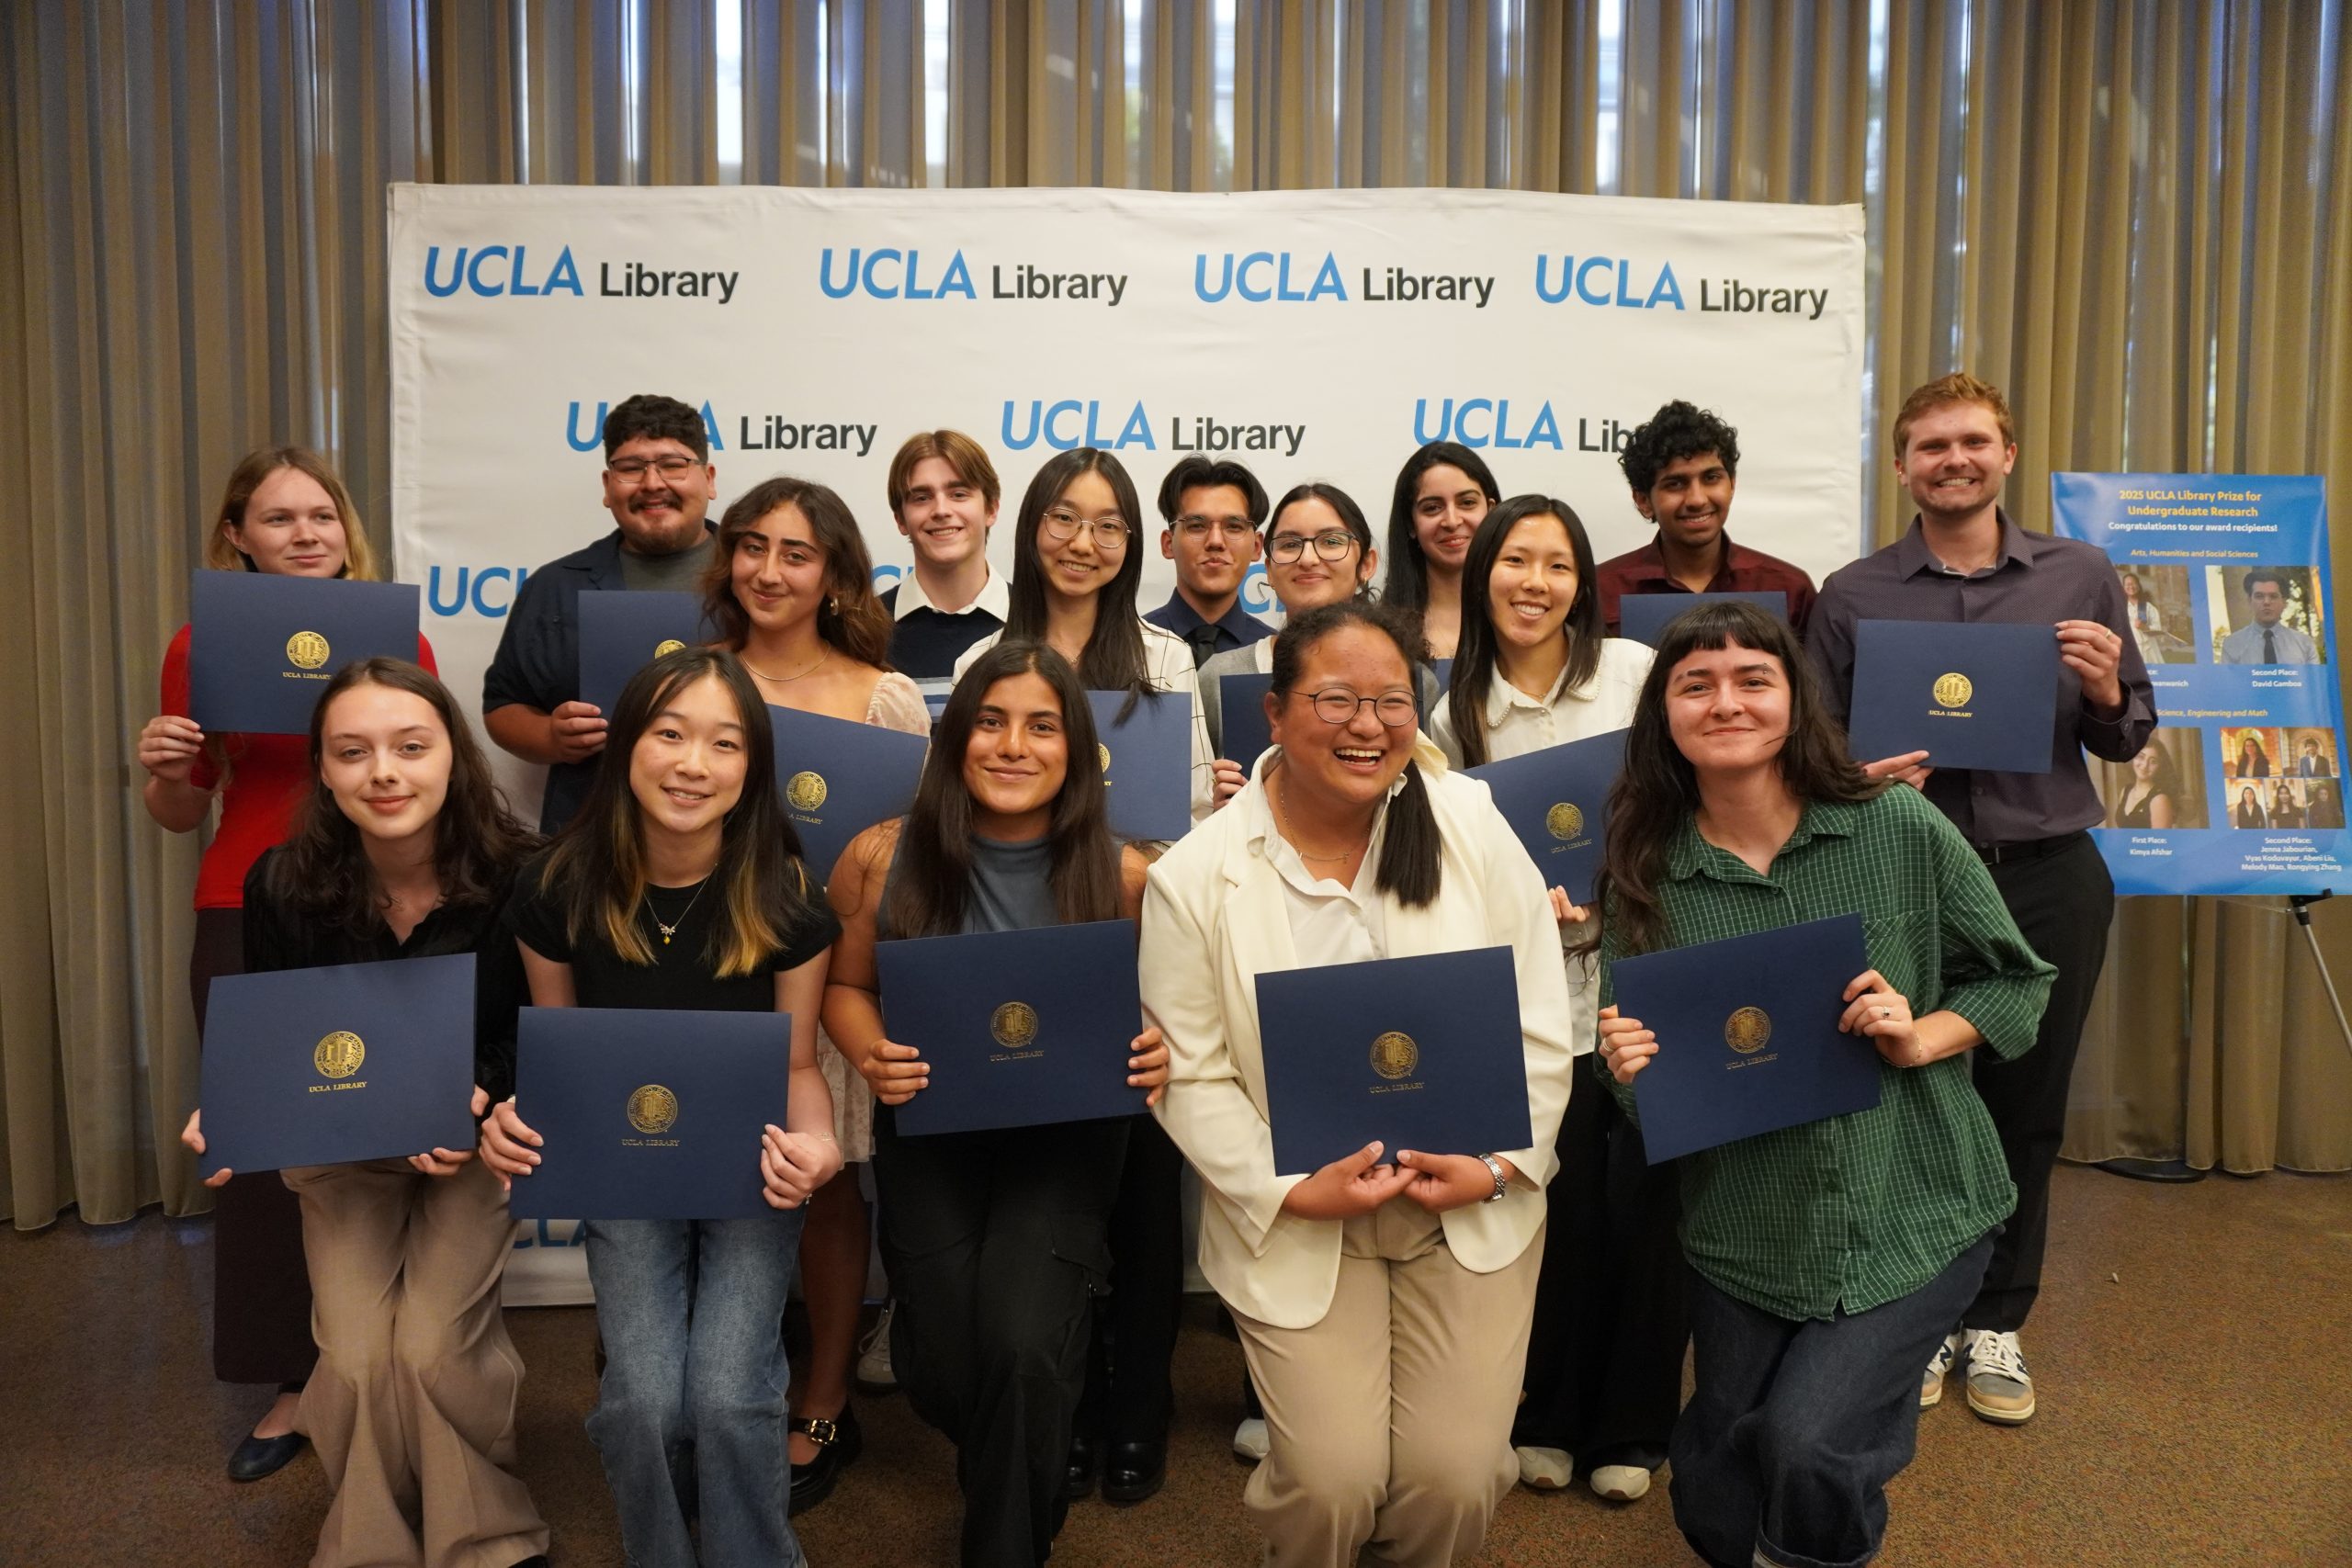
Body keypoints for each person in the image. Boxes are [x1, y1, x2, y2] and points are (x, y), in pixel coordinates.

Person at [1594, 598, 2054, 1568]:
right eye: (1696, 684)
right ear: (1662, 716)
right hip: (1746, 1226)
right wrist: (1628, 1070)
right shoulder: (1644, 871)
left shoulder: (1894, 825)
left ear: (1793, 699)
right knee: (1719, 1467)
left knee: (1810, 1447)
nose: (1726, 701)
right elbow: (1644, 1087)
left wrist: (1919, 1034)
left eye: (1752, 679)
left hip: (1916, 1207)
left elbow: (2016, 980)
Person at [1140, 598, 1577, 1568]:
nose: (1369, 725)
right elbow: (1194, 1074)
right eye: (1335, 700)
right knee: (1331, 1485)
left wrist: (1500, 1166)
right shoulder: (1198, 875)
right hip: (1304, 1216)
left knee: (1455, 1479)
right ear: (1275, 714)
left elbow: (1541, 1019)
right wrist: (1288, 1187)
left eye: (1391, 701)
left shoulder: (1466, 817)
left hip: (1464, 1199)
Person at [1807, 373, 2154, 1427]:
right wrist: (1855, 779)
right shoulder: (1853, 592)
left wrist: (2103, 689)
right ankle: (1912, 1317)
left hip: (2047, 877)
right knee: (1905, 1100)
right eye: (1929, 446)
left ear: (2004, 454)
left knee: (2027, 1105)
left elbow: (2126, 733)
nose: (1951, 460)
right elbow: (1810, 750)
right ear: (1902, 466)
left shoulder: (2078, 573)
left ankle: (1996, 1318)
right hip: (1907, 881)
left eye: (1970, 442)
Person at [181, 659, 549, 1568]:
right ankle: (372, 1535)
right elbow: (279, 1037)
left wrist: (475, 1091)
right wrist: (232, 1106)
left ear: (452, 760)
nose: (384, 772)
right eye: (354, 753)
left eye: (410, 747)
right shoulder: (279, 886)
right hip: (344, 1149)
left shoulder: (525, 876)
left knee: (429, 1351)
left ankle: (485, 1529)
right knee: (348, 1360)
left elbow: (543, 1035)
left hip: (469, 1148)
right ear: (325, 770)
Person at [481, 647, 842, 1568]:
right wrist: (519, 1123)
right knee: (641, 1400)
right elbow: (553, 1059)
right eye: (669, 734)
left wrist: (821, 1141)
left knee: (729, 1394)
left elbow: (800, 1064)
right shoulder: (557, 886)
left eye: (724, 744)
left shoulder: (786, 894)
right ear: (626, 746)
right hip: (624, 1170)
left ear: (752, 768)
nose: (693, 764)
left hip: (750, 1170)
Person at [820, 640, 1172, 1566]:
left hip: (1067, 1142)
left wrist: (1160, 1044)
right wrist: (869, 1053)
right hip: (930, 1130)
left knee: (1022, 1347)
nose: (1013, 745)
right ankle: (1023, 1467)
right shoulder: (881, 856)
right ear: (954, 737)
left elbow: (1176, 1012)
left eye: (1042, 726)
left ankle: (1004, 1544)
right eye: (990, 721)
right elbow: (844, 988)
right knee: (938, 1365)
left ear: (1076, 749)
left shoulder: (1129, 875)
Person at [138, 446, 437, 1481]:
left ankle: (394, 1356)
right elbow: (183, 809)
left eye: (321, 515)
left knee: (388, 1126)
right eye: (278, 519)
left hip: (378, 906)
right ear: (237, 537)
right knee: (262, 1148)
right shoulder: (197, 647)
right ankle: (292, 1383)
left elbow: (430, 783)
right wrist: (166, 771)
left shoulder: (401, 642)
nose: (306, 534)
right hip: (243, 904)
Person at [951, 448, 1210, 1502]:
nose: (1083, 542)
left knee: (1143, 1197)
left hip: (1136, 943)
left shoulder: (1161, 660)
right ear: (1030, 526)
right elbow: (957, 802)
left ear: (1131, 541)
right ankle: (1052, 1406)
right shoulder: (984, 657)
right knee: (1040, 1206)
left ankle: (1134, 1405)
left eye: (1107, 525)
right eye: (1064, 518)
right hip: (1012, 951)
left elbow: (1188, 824)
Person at [1430, 494, 1674, 1504]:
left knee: (1649, 1206)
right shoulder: (1450, 709)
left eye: (1557, 564)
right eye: (1515, 561)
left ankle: (1635, 1427)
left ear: (1584, 582)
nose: (1534, 583)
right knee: (1557, 1206)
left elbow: (1688, 795)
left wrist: (1622, 873)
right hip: (1536, 991)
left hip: (1646, 965)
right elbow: (1442, 853)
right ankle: (1547, 1416)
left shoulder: (1631, 676)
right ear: (1482, 571)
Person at [704, 473, 930, 1510]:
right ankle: (711, 1393)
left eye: (796, 552)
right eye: (752, 546)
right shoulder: (696, 681)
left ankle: (823, 1394)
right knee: (711, 1180)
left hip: (825, 974)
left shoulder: (881, 696)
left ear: (836, 573)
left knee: (830, 1186)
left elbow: (913, 856)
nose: (768, 569)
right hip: (703, 973)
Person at [482, 393, 720, 832]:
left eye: (672, 464)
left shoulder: (756, 582)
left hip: (729, 835)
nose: (653, 483)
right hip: (591, 832)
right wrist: (550, 737)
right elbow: (502, 705)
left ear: (708, 478)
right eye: (632, 468)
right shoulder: (555, 586)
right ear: (608, 487)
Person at [1198, 482, 1439, 811]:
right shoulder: (1219, 675)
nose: (1308, 559)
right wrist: (1215, 811)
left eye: (1331, 541)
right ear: (1268, 569)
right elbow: (1185, 809)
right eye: (1289, 544)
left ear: (1367, 564)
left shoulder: (1413, 680)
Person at [1593, 400, 1818, 638]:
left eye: (1711, 478)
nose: (1697, 499)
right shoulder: (1601, 591)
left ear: (1731, 484)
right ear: (1643, 501)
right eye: (1676, 484)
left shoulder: (1788, 589)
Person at [880, 430, 1009, 689]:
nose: (941, 510)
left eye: (958, 494)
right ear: (900, 519)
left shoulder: (1038, 622)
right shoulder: (864, 630)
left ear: (991, 509)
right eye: (922, 498)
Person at [1146, 455, 1276, 665]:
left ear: (1256, 546)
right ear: (1168, 544)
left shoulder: (1276, 655)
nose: (1215, 541)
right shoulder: (1131, 646)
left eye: (1234, 526)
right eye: (1197, 525)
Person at [1379, 442, 1501, 660]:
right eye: (1432, 508)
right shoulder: (1379, 632)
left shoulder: (1520, 620)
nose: (1452, 521)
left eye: (1467, 502)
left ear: (1491, 511)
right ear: (1410, 524)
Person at [2218, 570, 2318, 664]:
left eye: (2273, 596)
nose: (2266, 602)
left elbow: (2314, 681)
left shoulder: (2305, 644)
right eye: (2259, 596)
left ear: (2284, 602)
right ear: (2249, 601)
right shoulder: (2232, 644)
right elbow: (2229, 682)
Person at [2112, 743, 2179, 829]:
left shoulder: (2160, 800)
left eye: (2153, 762)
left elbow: (2160, 840)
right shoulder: (2125, 790)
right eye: (2141, 757)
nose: (2145, 765)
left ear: (2160, 767)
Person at [2119, 570, 2166, 665]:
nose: (2131, 587)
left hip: (2149, 649)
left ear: (2138, 586)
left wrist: (2146, 627)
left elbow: (2158, 630)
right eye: (2127, 584)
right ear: (2123, 588)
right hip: (2129, 649)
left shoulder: (2147, 607)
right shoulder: (2120, 607)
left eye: (2134, 584)